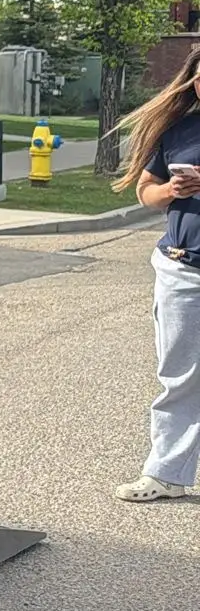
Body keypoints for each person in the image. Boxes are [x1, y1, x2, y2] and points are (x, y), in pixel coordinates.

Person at [110, 46, 200, 502]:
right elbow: (146, 191)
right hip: (184, 270)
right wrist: (171, 190)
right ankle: (167, 475)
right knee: (179, 378)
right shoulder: (179, 130)